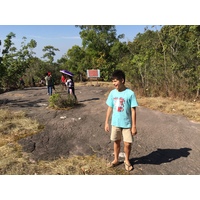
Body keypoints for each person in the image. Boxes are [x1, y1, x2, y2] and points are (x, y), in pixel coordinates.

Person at [104, 69, 138, 171]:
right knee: (116, 142)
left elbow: (133, 110)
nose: (114, 83)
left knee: (127, 143)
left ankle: (127, 160)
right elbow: (110, 108)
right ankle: (116, 160)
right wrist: (106, 122)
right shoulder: (112, 93)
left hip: (127, 124)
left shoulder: (130, 93)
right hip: (115, 123)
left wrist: (134, 126)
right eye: (113, 81)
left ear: (122, 80)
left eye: (116, 81)